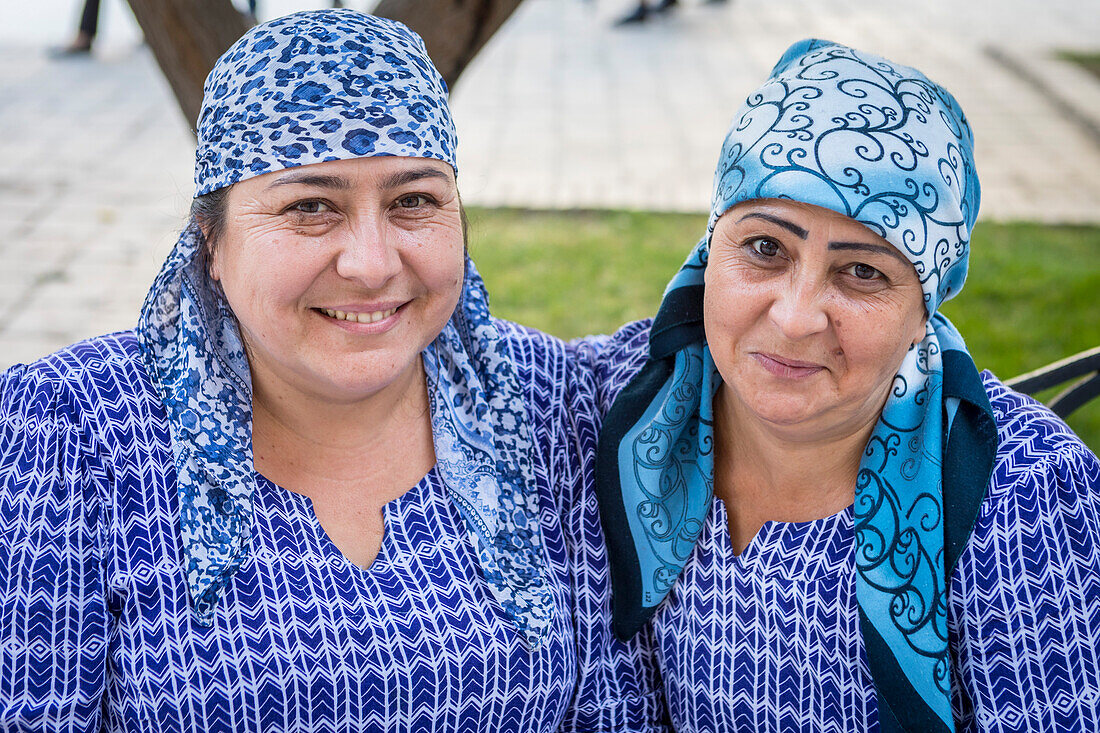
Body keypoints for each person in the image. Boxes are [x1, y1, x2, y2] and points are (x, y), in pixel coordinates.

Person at [0, 10, 666, 731]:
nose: (373, 263)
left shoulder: (544, 402)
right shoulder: (72, 433)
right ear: (211, 242)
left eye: (414, 201)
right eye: (311, 207)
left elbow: (614, 706)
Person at [589, 39, 1100, 731]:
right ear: (711, 251)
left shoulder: (1024, 498)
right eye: (766, 248)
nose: (796, 318)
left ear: (924, 312)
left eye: (862, 272)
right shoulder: (633, 407)